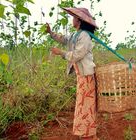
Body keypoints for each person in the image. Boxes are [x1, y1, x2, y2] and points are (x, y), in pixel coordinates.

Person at [46, 7, 99, 140]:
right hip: (82, 76)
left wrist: (61, 53)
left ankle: (89, 135)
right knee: (83, 105)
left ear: (79, 21)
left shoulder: (85, 36)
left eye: (74, 18)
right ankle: (87, 133)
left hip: (87, 76)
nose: (72, 19)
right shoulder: (77, 35)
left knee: (86, 106)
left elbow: (77, 55)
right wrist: (51, 33)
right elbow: (64, 39)